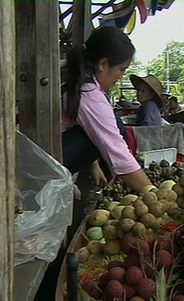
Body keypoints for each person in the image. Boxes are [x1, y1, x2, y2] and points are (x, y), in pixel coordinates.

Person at [61, 26, 151, 194]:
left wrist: (93, 165)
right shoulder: (88, 94)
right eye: (122, 69)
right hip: (32, 159)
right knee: (116, 126)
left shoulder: (69, 68)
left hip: (31, 146)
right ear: (103, 64)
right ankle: (56, 176)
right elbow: (118, 153)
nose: (121, 76)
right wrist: (153, 192)